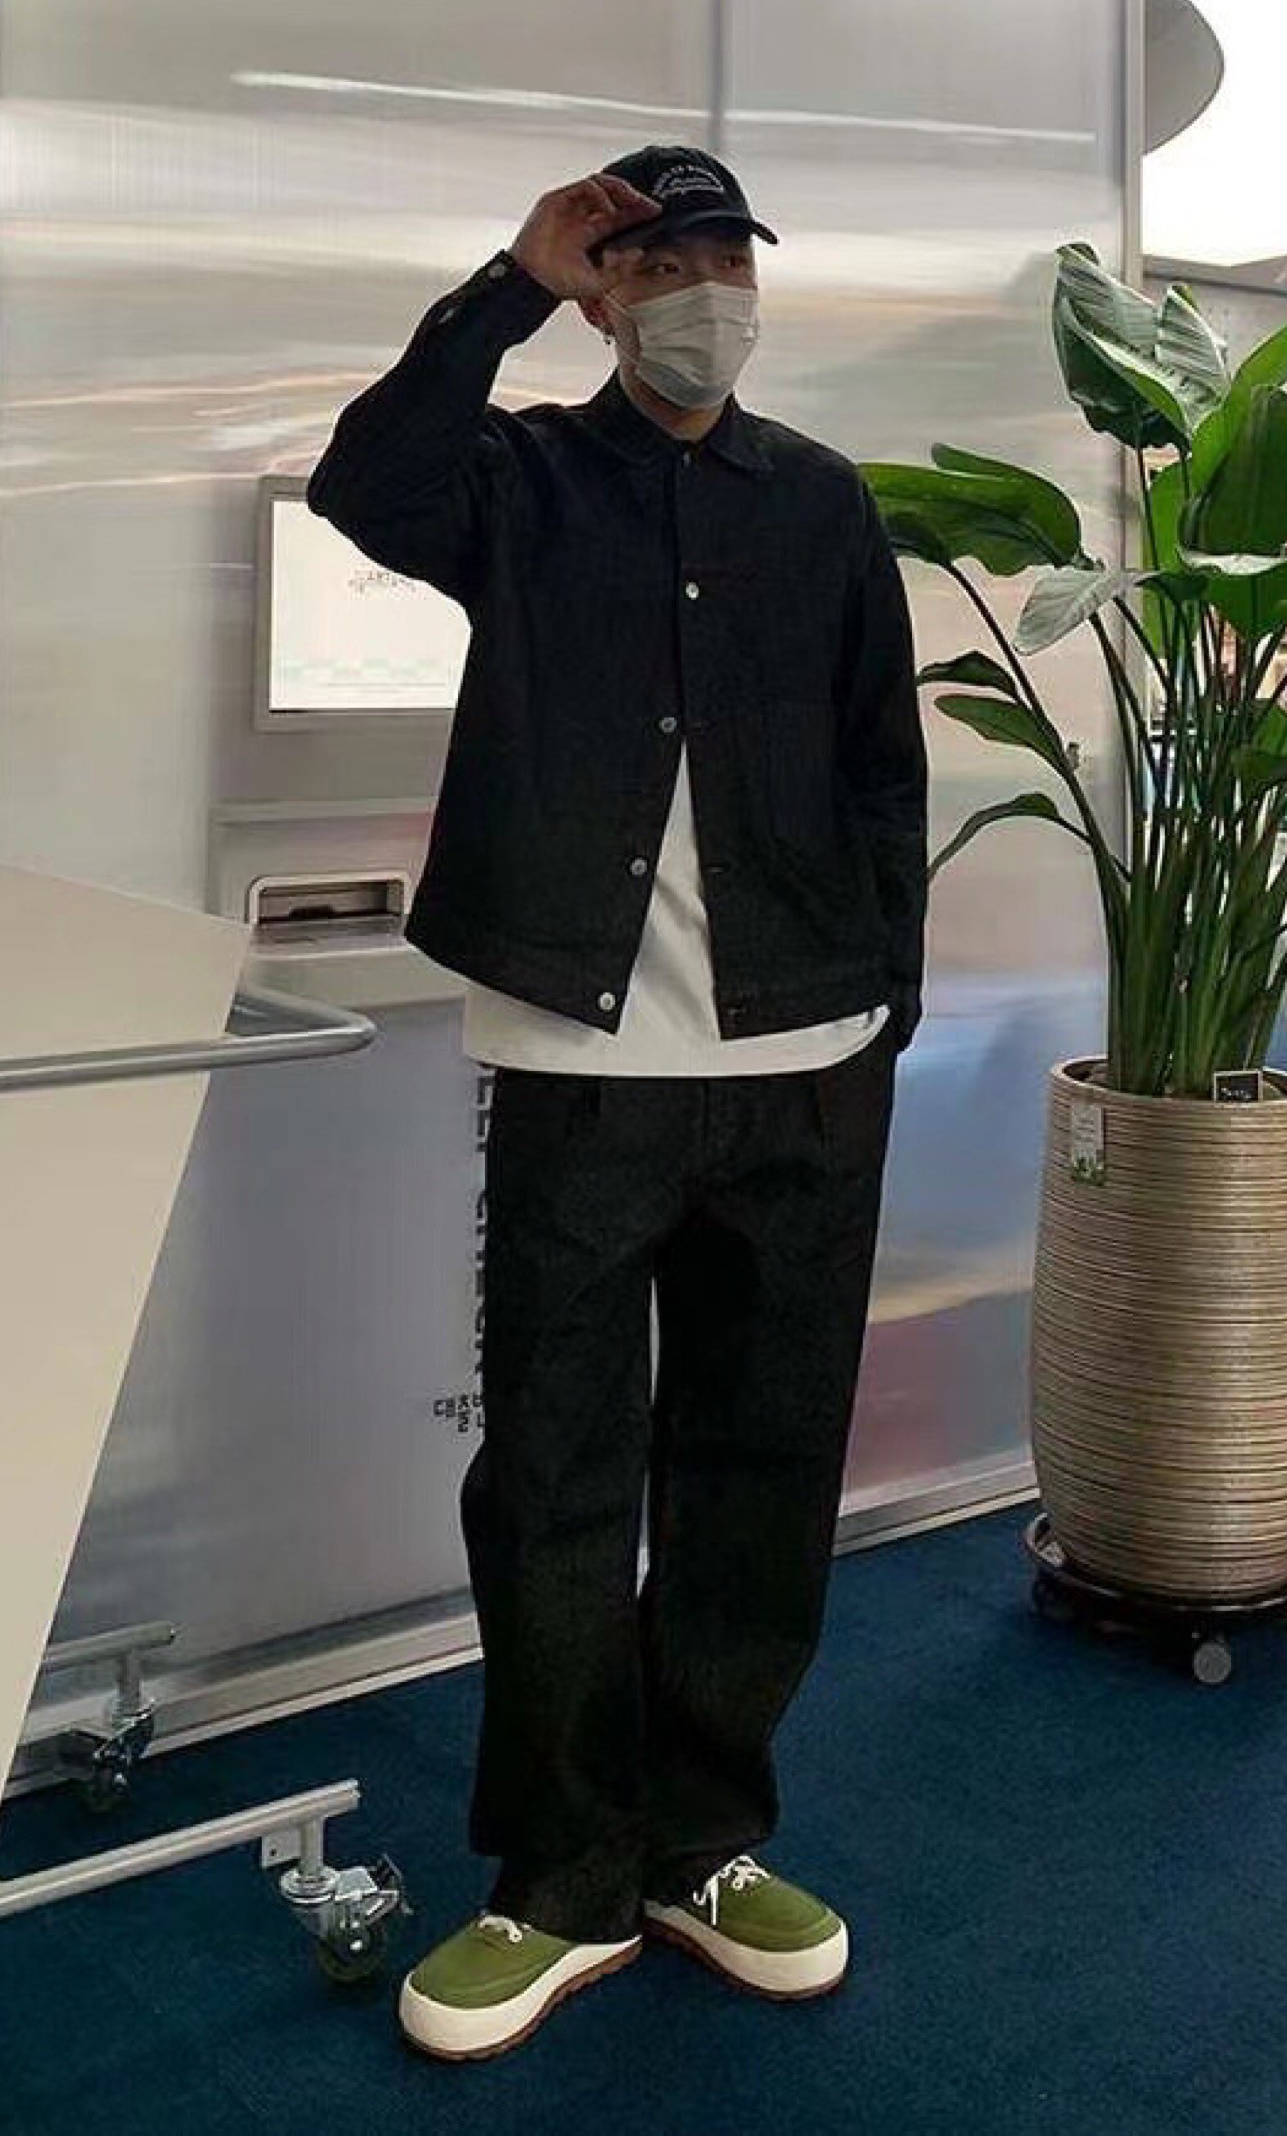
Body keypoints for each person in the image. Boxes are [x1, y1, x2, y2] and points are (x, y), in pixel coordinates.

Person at [307, 144, 927, 2062]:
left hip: (804, 1072)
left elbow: (880, 762)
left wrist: (880, 1009)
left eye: (728, 257)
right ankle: (564, 1875)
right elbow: (363, 482)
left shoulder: (820, 501)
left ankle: (705, 1841)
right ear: (605, 294)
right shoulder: (518, 482)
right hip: (583, 1071)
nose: (704, 291)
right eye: (661, 261)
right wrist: (508, 283)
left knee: (761, 1472)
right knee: (558, 1480)